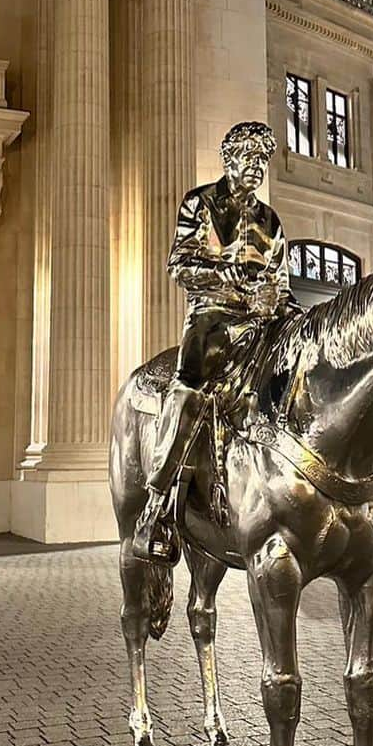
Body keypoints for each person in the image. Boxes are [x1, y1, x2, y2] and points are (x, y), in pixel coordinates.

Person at [132, 121, 298, 565]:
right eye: (248, 157)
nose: (256, 167)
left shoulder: (271, 221)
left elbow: (281, 284)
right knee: (191, 379)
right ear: (229, 160)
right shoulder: (200, 203)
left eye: (262, 160)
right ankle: (158, 502)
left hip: (263, 324)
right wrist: (230, 278)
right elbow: (179, 264)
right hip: (213, 317)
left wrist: (290, 310)